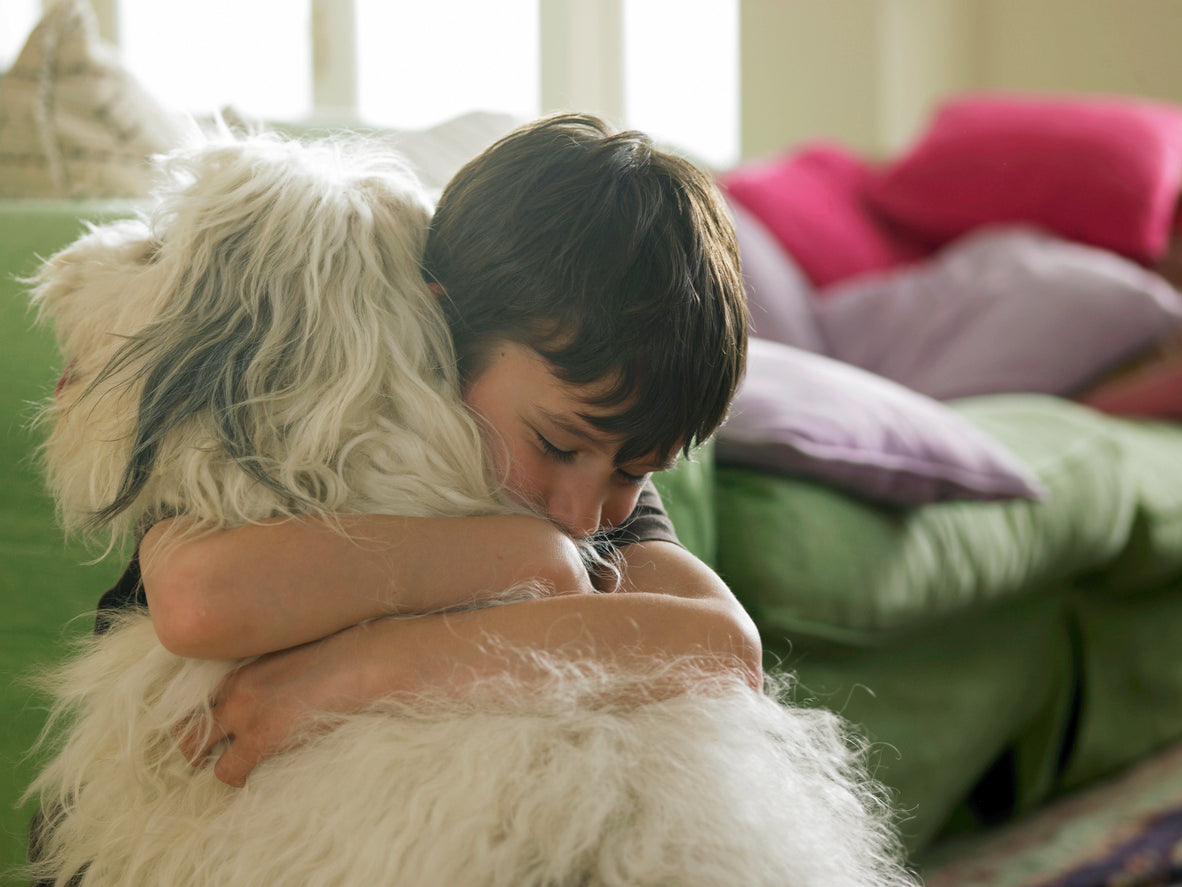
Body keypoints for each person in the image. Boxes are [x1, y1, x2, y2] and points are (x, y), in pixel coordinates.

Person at [99, 113, 760, 788]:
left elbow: (725, 652)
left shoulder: (585, 469)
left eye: (636, 470)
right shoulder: (312, 409)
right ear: (441, 330)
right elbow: (197, 600)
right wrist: (527, 558)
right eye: (557, 444)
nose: (585, 514)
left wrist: (356, 672)